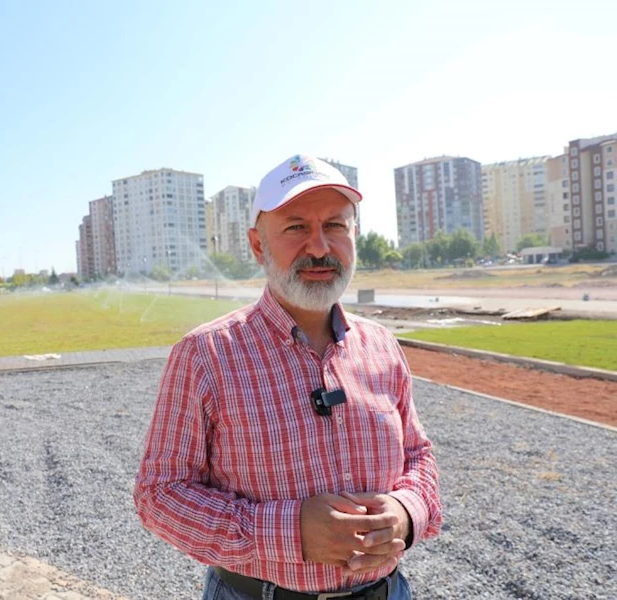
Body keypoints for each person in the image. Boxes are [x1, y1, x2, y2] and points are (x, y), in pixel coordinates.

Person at [133, 154, 442, 600]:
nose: (319, 247)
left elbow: (418, 456)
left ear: (354, 235)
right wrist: (290, 531)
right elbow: (159, 494)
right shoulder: (206, 355)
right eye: (296, 227)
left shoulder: (381, 346)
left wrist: (406, 513)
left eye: (335, 225)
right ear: (258, 246)